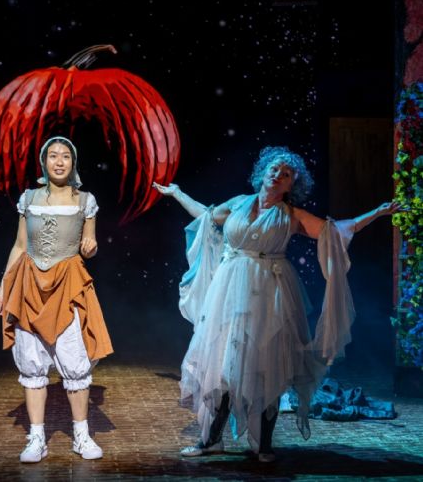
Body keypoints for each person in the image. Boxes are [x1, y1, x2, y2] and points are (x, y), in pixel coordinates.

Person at [153, 146, 399, 461]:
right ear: (263, 172)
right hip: (228, 293)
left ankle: (263, 445)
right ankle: (210, 440)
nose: (278, 175)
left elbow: (336, 231)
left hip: (269, 294)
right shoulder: (238, 203)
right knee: (223, 364)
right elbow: (205, 217)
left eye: (286, 174)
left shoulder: (291, 215)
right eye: (274, 169)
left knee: (265, 364)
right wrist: (177, 194)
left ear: (291, 185)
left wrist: (376, 213)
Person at [0, 136, 113, 463]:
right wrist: (3, 288)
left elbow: (89, 243)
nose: (59, 162)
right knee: (31, 362)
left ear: (73, 163)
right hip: (29, 284)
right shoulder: (28, 198)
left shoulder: (85, 200)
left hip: (67, 284)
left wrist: (90, 248)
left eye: (66, 157)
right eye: (53, 156)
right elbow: (20, 246)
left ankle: (81, 436)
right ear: (44, 162)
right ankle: (36, 438)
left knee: (75, 360)